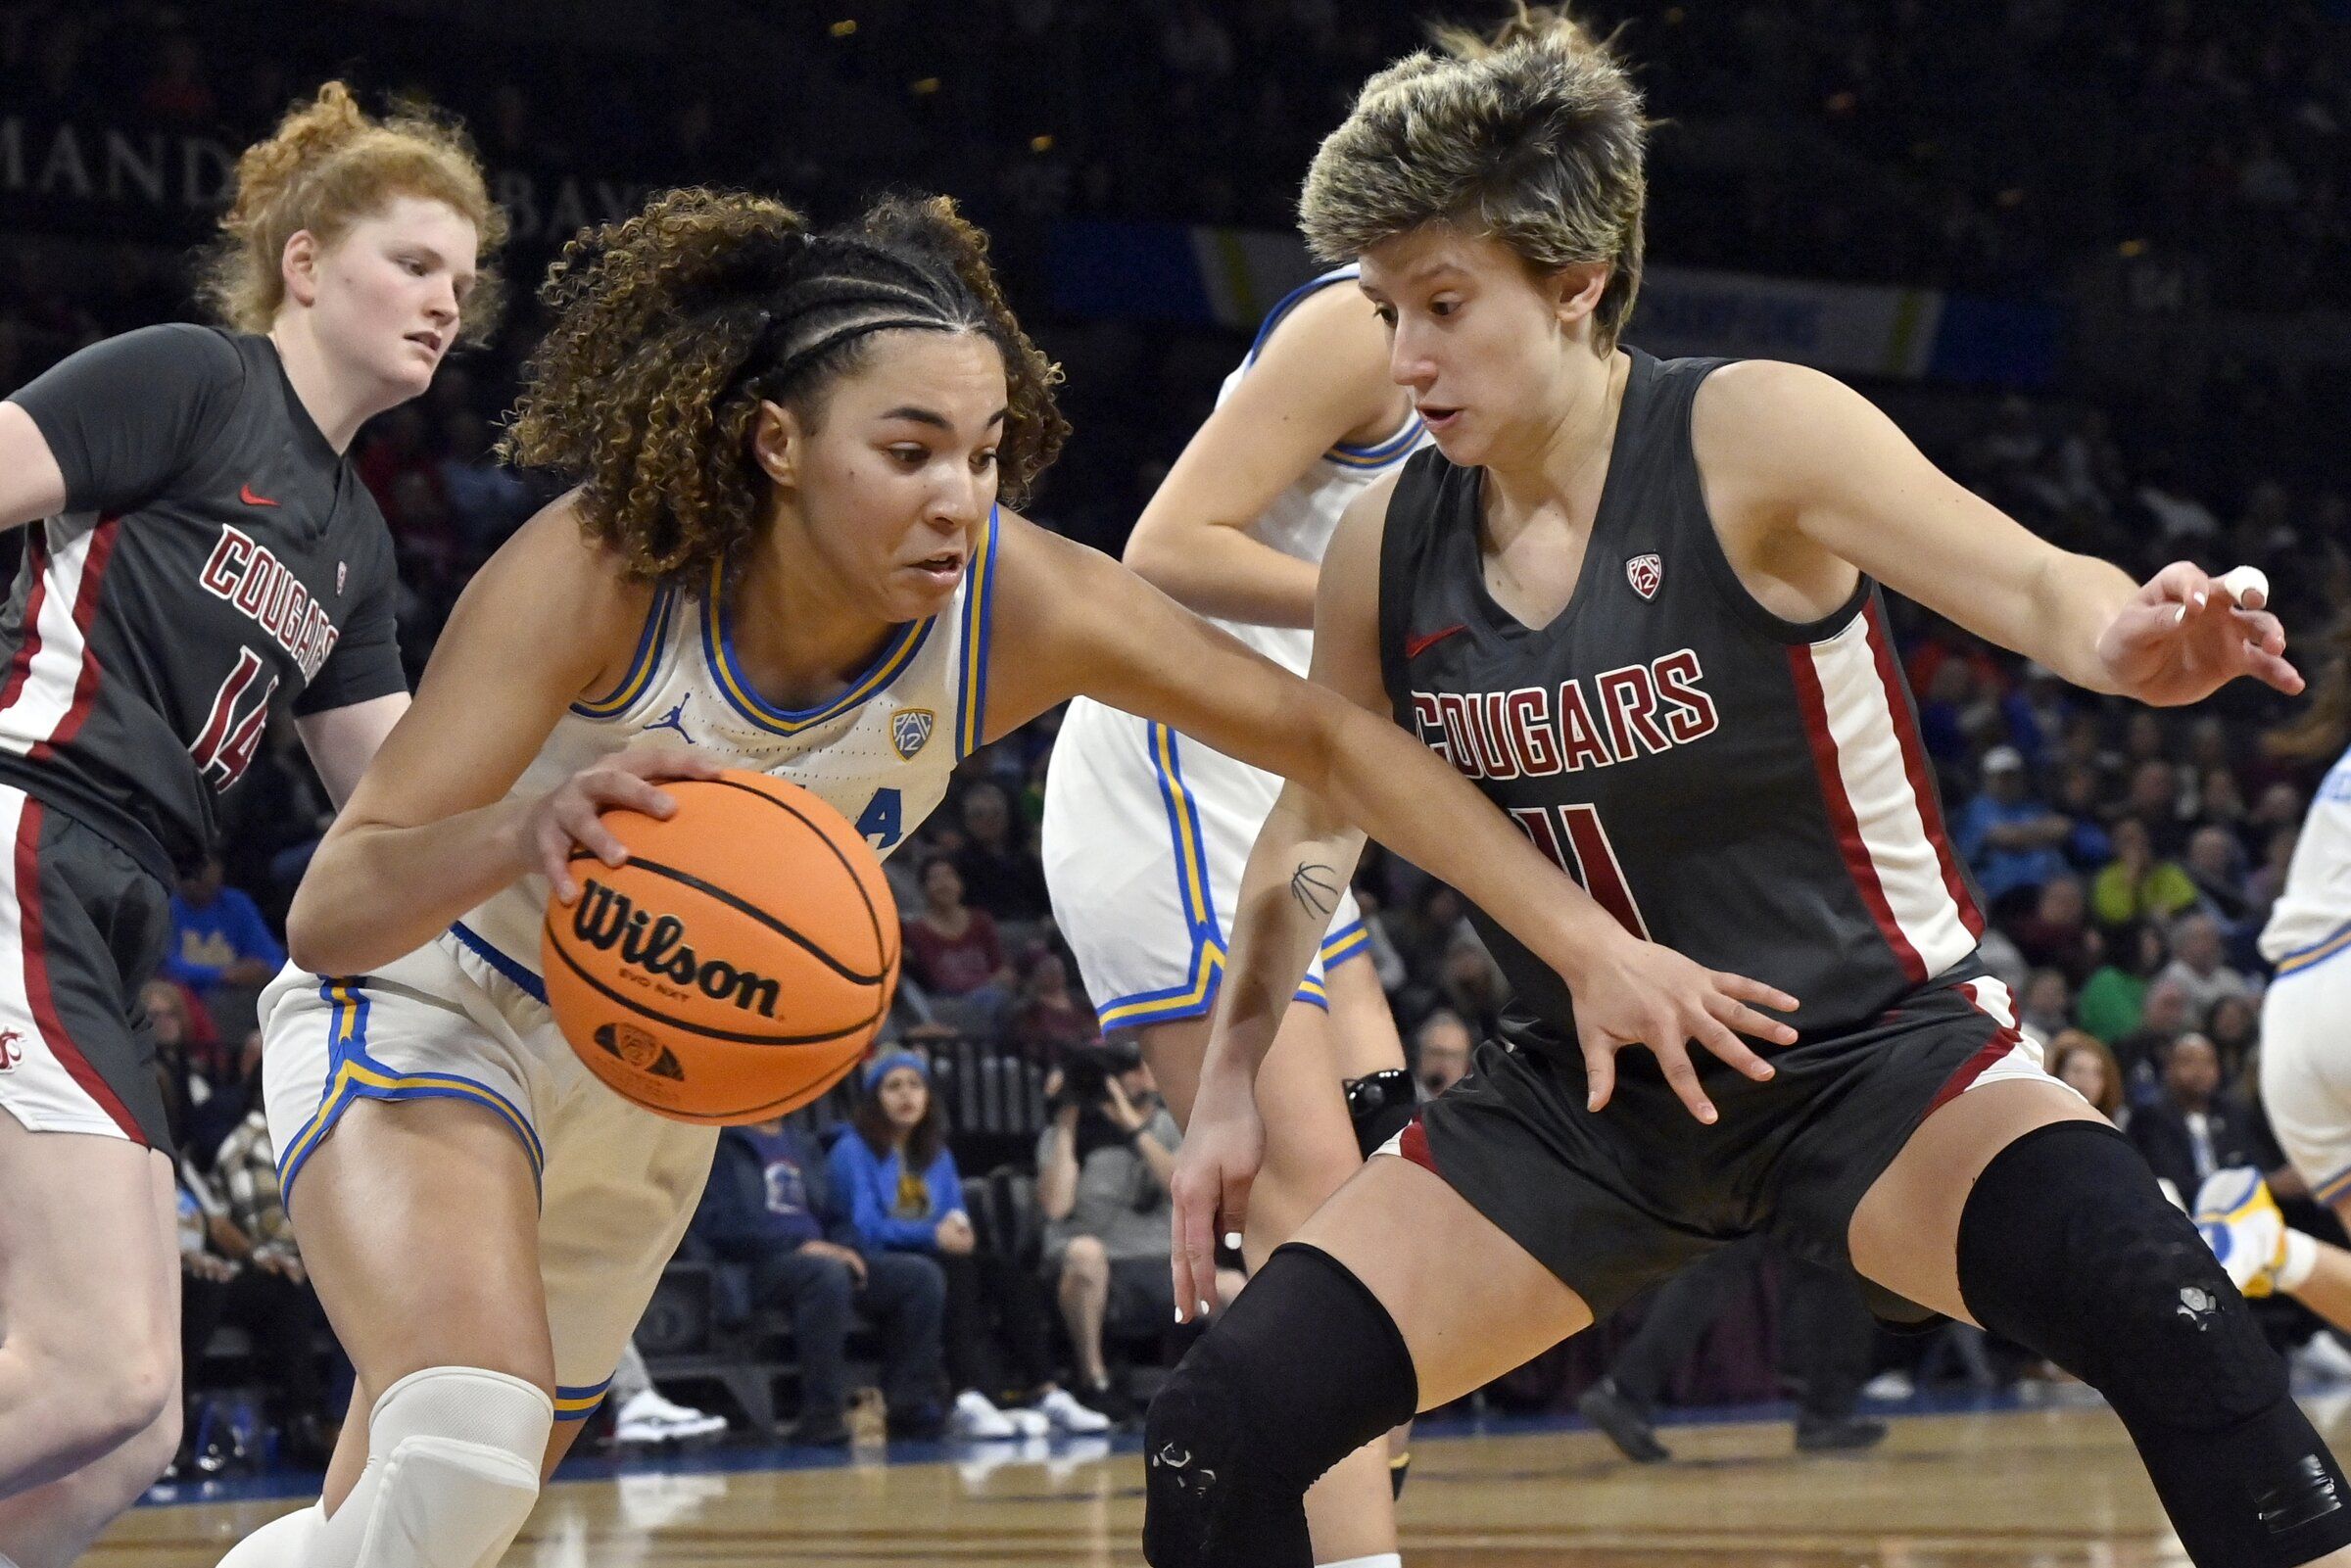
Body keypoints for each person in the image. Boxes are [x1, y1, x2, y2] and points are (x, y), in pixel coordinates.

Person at [229, 183, 1720, 1564]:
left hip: (659, 1093)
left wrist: (1585, 939)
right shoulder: (612, 564)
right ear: (776, 443)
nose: (960, 492)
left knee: (415, 1526)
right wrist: (523, 830)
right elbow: (335, 906)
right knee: (466, 1452)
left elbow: (1332, 738)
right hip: (437, 1014)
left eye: (986, 449)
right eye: (909, 450)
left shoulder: (1015, 600)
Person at [1150, 15, 2349, 1568]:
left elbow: (2049, 591)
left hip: (1872, 1061)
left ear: (1577, 279)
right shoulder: (1385, 547)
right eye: (1385, 311)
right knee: (1216, 1428)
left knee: (2173, 1310)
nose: (1404, 361)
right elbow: (1313, 825)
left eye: (1444, 305)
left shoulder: (1748, 431)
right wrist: (1235, 1075)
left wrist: (2134, 641)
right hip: (1582, 1102)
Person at [0, 80, 498, 1566]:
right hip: (25, 829)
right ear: (303, 262)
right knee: (104, 1371)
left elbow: (398, 805)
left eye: (465, 286)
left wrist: (575, 827)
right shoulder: (193, 379)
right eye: (415, 264)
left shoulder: (350, 542)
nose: (445, 305)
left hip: (119, 898)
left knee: (129, 1431)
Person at [830, 1053, 1102, 1438]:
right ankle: (968, 1396)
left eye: (915, 1085)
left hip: (932, 1253)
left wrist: (962, 1230)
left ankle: (1046, 1390)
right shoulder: (851, 1150)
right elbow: (863, 1227)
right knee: (955, 1273)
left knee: (1006, 1273)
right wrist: (931, 1235)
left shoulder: (936, 1153)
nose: (906, 1095)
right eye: (894, 1086)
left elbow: (954, 1210)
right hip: (876, 1261)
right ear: (874, 1098)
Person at [692, 1110, 944, 1446]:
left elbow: (835, 1215)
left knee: (920, 1277)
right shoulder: (721, 1143)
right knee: (824, 1275)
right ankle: (821, 1416)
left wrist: (845, 1247)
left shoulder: (802, 1144)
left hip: (823, 1259)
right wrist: (801, 1246)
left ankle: (907, 1404)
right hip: (755, 1266)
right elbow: (718, 1225)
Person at [1037, 1045, 1183, 1419]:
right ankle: (1094, 1379)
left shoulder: (1166, 1125)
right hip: (1092, 1263)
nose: (1139, 1076)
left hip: (1159, 1262)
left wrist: (1133, 1128)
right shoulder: (1067, 1133)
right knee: (1086, 1253)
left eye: (1140, 1067)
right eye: (1127, 1071)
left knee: (1235, 1286)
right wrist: (1067, 1124)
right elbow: (1056, 1206)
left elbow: (1179, 1188)